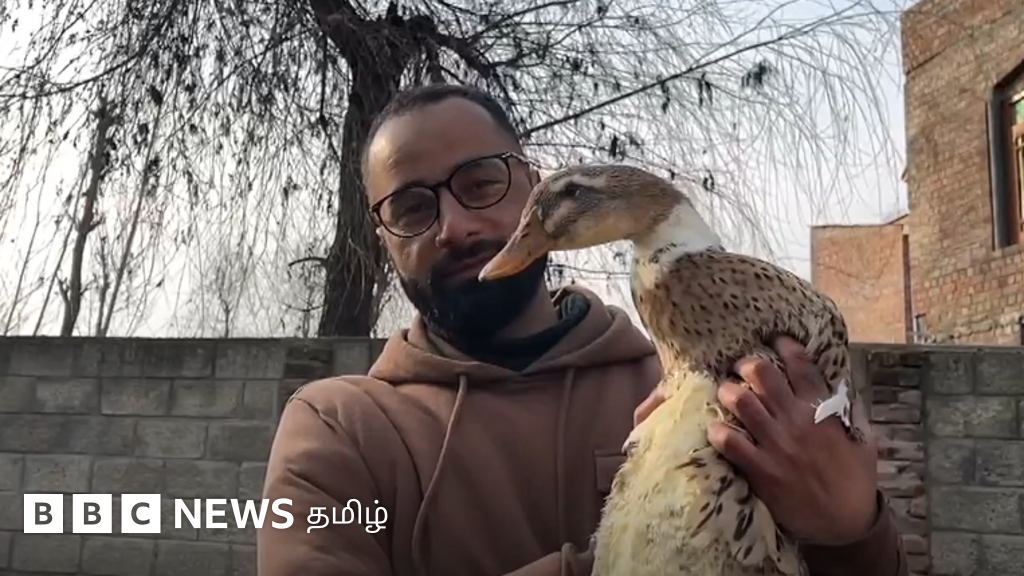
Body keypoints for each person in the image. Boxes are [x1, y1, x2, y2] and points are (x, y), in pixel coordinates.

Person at [257, 83, 908, 576]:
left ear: (534, 191)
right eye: (412, 206)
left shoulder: (710, 380)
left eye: (481, 183)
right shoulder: (339, 429)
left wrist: (853, 532)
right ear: (383, 238)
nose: (453, 225)